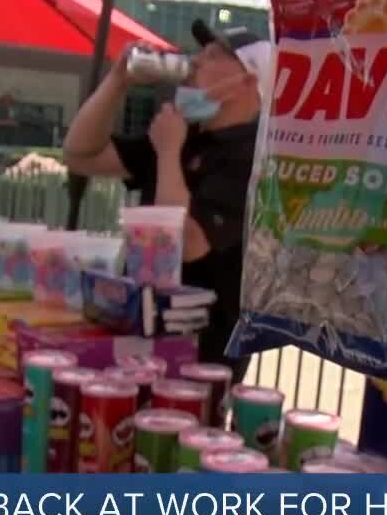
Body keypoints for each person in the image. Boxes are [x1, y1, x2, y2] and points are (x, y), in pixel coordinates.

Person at [63, 20, 270, 384]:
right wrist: (117, 82)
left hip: (201, 348)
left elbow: (187, 244)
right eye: (198, 55)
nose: (194, 65)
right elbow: (81, 154)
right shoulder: (181, 135)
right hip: (142, 328)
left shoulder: (254, 157)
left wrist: (169, 153)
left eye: (212, 57)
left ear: (248, 82)